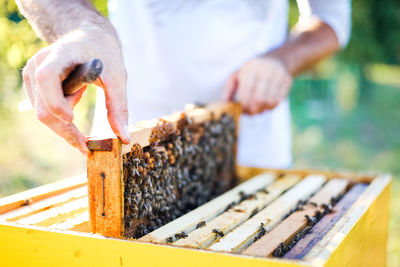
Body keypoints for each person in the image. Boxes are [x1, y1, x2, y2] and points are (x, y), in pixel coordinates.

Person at [17, 0, 350, 168]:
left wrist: (283, 60)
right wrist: (83, 30)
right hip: (130, 148)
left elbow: (332, 22)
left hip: (252, 149)